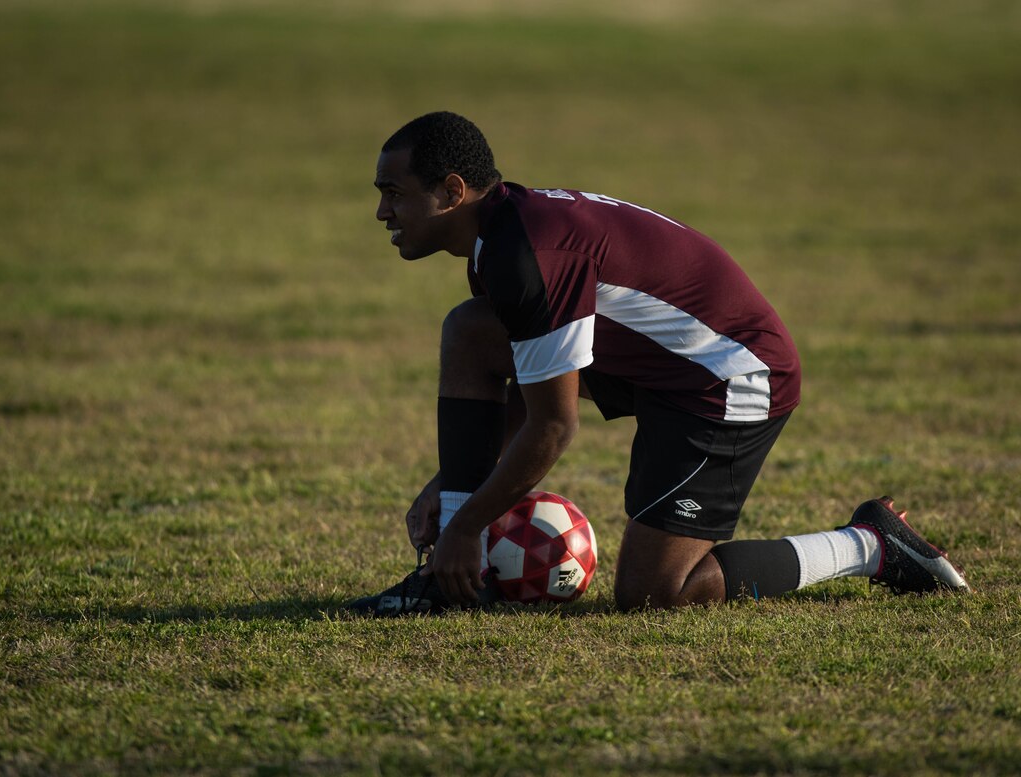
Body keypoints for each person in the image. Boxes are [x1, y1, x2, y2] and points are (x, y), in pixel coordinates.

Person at [347, 111, 969, 616]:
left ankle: (870, 546)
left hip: (730, 378)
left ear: (453, 191)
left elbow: (554, 426)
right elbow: (533, 386)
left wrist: (468, 521)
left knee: (656, 595)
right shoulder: (498, 240)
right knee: (473, 330)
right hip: (659, 363)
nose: (382, 213)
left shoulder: (524, 253)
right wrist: (459, 489)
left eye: (393, 194)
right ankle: (450, 582)